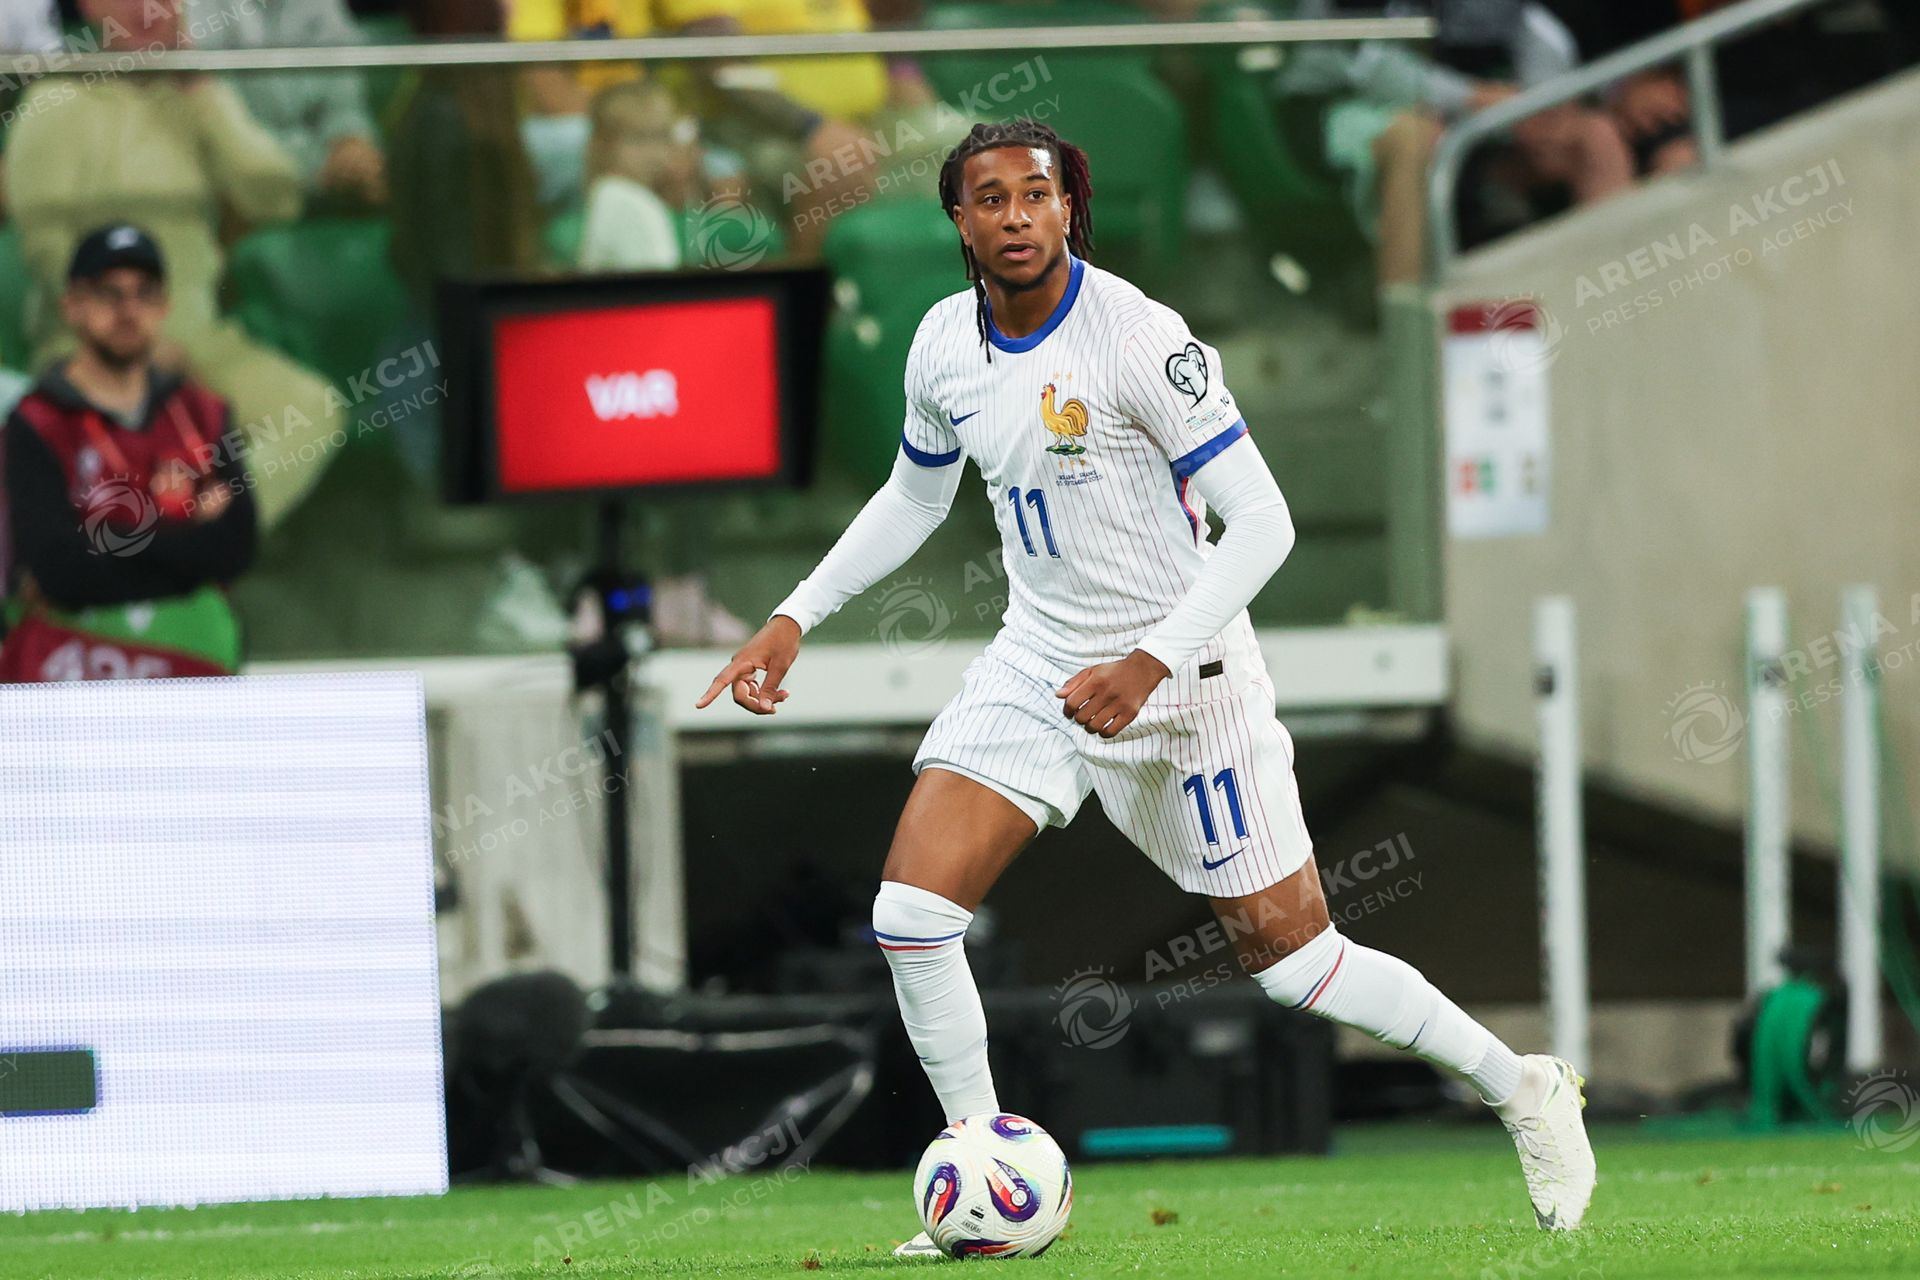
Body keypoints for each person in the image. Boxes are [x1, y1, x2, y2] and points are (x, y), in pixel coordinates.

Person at [697, 119, 1598, 1251]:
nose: (1017, 216)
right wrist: (793, 616)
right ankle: (985, 1170)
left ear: (1069, 208)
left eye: (1036, 194)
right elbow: (916, 497)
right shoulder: (942, 344)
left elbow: (1262, 521)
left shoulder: (1139, 339)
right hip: (1040, 661)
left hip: (1187, 674)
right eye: (991, 198)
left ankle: (1522, 1086)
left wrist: (1149, 661)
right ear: (959, 219)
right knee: (912, 918)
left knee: (1297, 966)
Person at [5, 0, 345, 528]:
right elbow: (47, 248)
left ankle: (200, 536)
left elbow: (277, 198)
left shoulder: (192, 98)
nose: (148, 8)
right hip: (87, 345)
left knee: (313, 410)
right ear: (92, 7)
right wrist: (132, 335)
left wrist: (203, 92)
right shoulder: (57, 100)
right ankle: (167, 547)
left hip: (200, 340)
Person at [0, 225, 256, 682]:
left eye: (145, 294)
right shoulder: (35, 422)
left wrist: (101, 540)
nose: (128, 310)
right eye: (109, 294)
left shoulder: (203, 413)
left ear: (164, 307)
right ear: (72, 306)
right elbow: (56, 568)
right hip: (68, 671)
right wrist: (185, 540)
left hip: (189, 665)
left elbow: (235, 547)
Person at [1280, 0, 1633, 284]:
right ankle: (1409, 330)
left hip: (1465, 107)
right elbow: (1369, 65)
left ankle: (1610, 311)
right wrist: (1477, 99)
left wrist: (1539, 105)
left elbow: (1532, 29)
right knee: (1416, 138)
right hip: (1340, 102)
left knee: (1594, 135)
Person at [183, 0, 388, 207]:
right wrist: (323, 167)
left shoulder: (324, 5)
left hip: (322, 181)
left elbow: (345, 104)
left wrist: (350, 144)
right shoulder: (195, 10)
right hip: (238, 197)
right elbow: (225, 137)